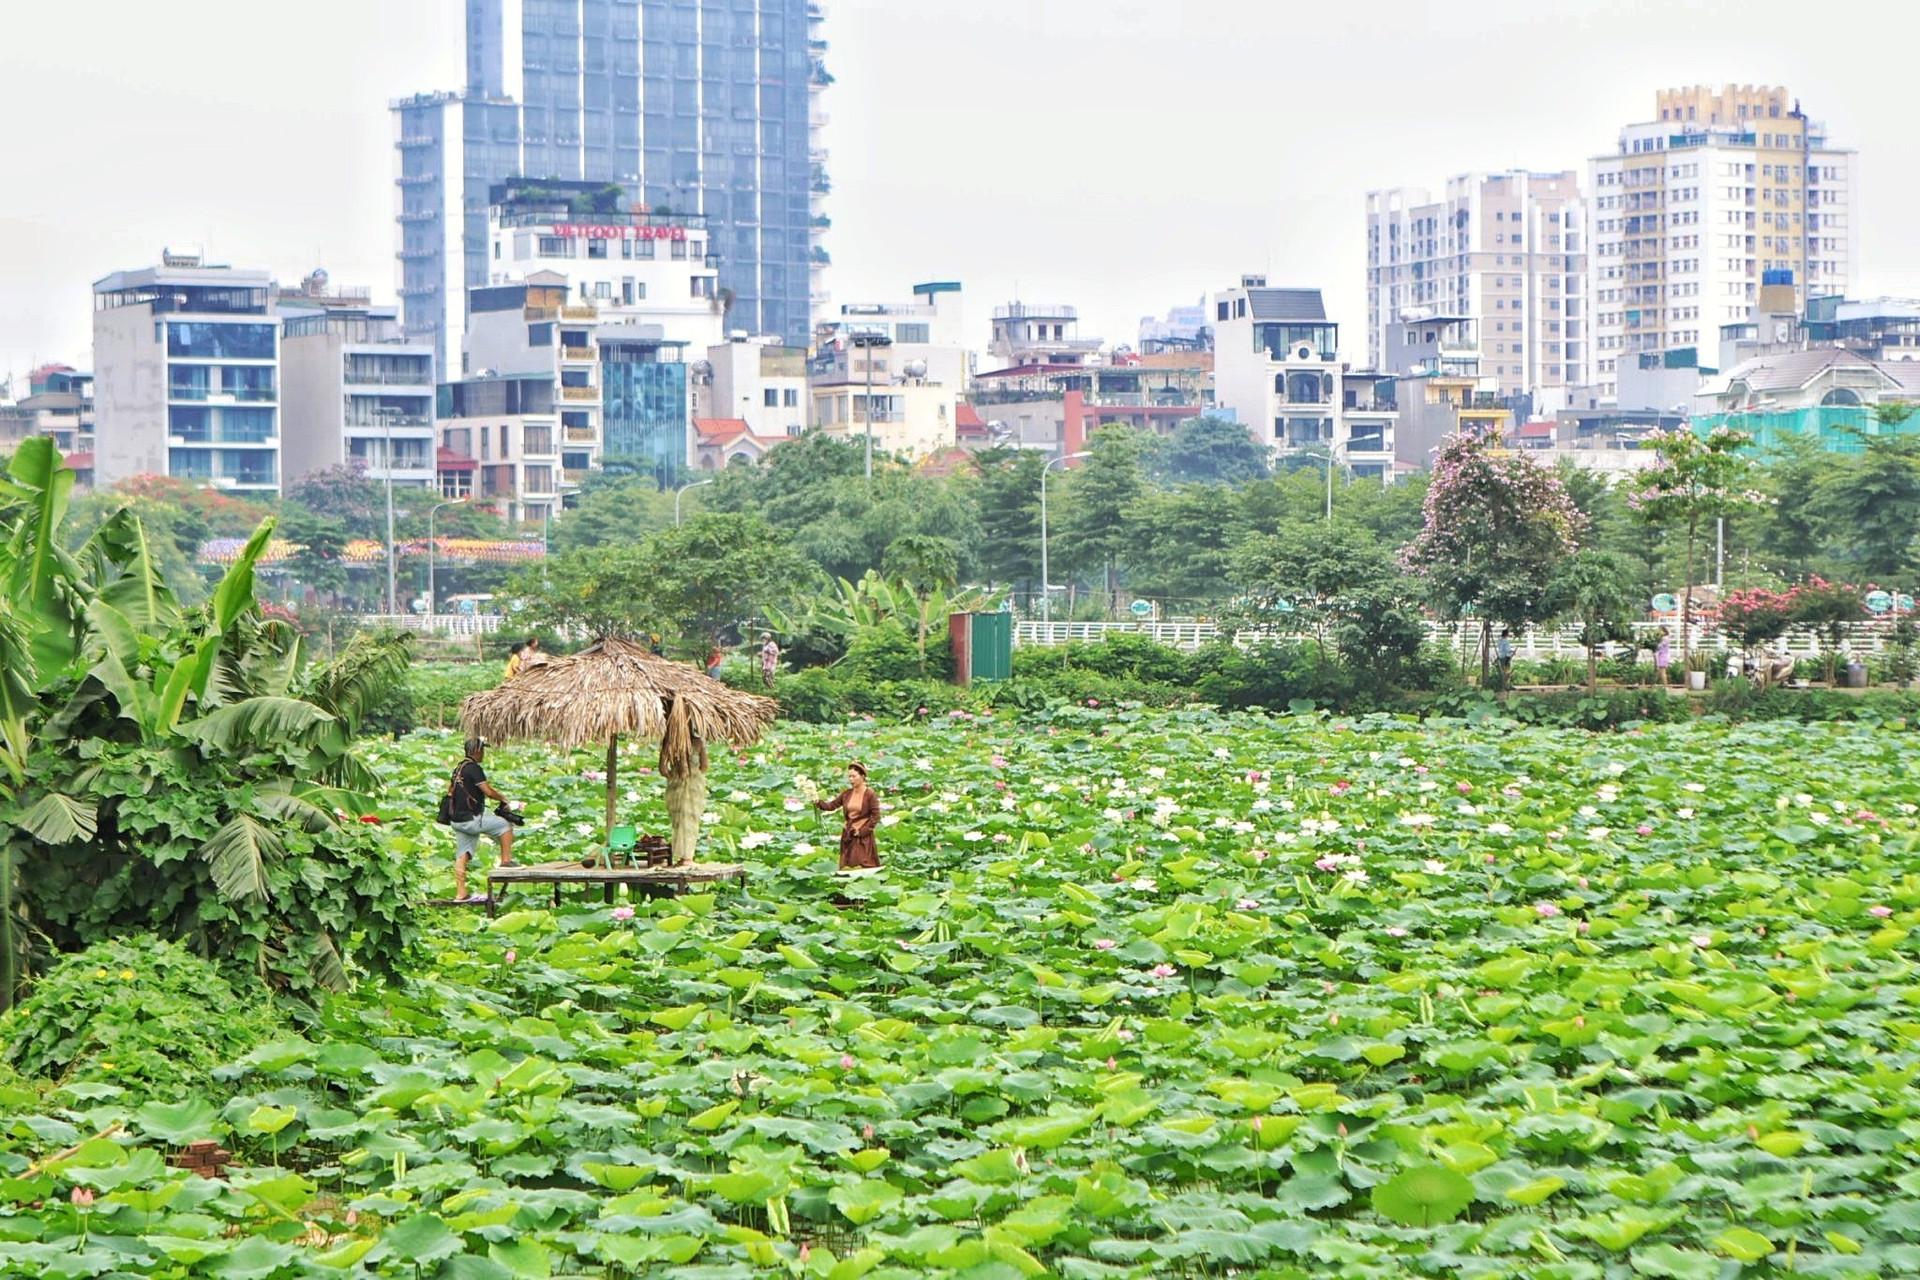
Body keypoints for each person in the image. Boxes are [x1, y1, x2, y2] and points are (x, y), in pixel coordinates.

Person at [448, 736, 515, 901]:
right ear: (477, 751)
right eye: (482, 750)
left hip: (457, 820)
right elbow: (488, 791)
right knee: (505, 824)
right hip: (471, 819)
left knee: (463, 854)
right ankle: (506, 861)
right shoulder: (473, 768)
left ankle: (461, 893)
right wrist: (503, 799)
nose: (484, 753)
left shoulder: (459, 768)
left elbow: (450, 791)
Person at [814, 762, 881, 872]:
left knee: (862, 864)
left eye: (854, 776)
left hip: (862, 836)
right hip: (848, 833)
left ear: (862, 776)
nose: (851, 779)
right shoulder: (847, 793)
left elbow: (876, 816)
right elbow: (831, 806)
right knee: (847, 865)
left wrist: (863, 830)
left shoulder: (870, 795)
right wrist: (817, 802)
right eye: (849, 776)